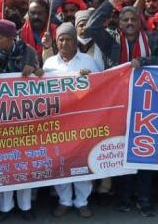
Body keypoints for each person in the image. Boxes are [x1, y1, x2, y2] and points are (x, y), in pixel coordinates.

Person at [86, 0, 158, 217]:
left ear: (140, 21)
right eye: (125, 20)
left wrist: (144, 62)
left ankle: (144, 200)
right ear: (119, 23)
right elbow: (91, 27)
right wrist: (108, 5)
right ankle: (124, 197)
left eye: (133, 19)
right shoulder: (111, 41)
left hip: (147, 105)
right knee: (122, 151)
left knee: (143, 152)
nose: (130, 23)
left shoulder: (153, 39)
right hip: (120, 105)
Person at [0, 20, 42, 222]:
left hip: (26, 115)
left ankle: (25, 206)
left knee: (24, 162)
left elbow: (40, 73)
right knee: (3, 162)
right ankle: (5, 207)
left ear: (10, 38)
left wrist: (33, 69)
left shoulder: (28, 51)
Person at [43, 23, 101, 218]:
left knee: (82, 161)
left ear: (75, 41)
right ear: (56, 42)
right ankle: (64, 201)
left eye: (68, 38)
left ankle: (82, 201)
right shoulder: (49, 63)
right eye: (61, 39)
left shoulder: (88, 61)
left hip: (82, 121)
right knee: (61, 161)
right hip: (58, 122)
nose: (65, 42)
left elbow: (102, 86)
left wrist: (90, 78)